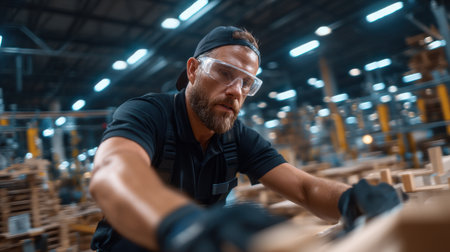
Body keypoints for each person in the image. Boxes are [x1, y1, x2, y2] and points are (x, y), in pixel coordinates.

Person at [89, 26, 403, 252]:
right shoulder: (148, 114)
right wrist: (184, 226)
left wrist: (352, 200)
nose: (236, 90)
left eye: (247, 83)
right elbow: (112, 172)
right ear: (194, 69)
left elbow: (305, 189)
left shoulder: (235, 137)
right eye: (225, 73)